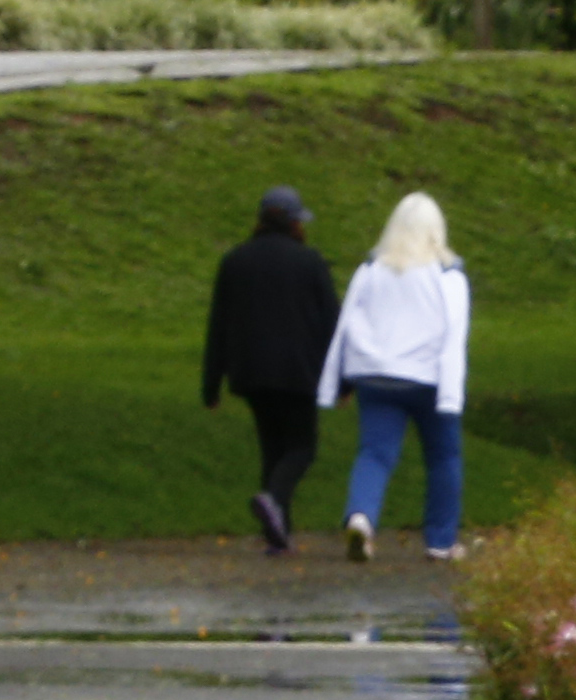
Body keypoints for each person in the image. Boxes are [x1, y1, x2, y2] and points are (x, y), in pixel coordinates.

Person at [322, 190, 474, 565]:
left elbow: (347, 325)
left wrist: (342, 378)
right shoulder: (447, 276)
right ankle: (440, 542)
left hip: (375, 375)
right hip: (427, 379)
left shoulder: (371, 271)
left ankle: (361, 517)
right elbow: (454, 337)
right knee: (443, 457)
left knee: (374, 453)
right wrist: (452, 395)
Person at [201, 187, 337, 559]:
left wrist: (211, 383)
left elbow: (219, 324)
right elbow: (331, 324)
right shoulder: (310, 262)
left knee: (272, 449)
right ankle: (274, 502)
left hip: (251, 372)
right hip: (298, 371)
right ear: (294, 223)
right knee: (302, 448)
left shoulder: (235, 261)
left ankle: (277, 534)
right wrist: (343, 378)